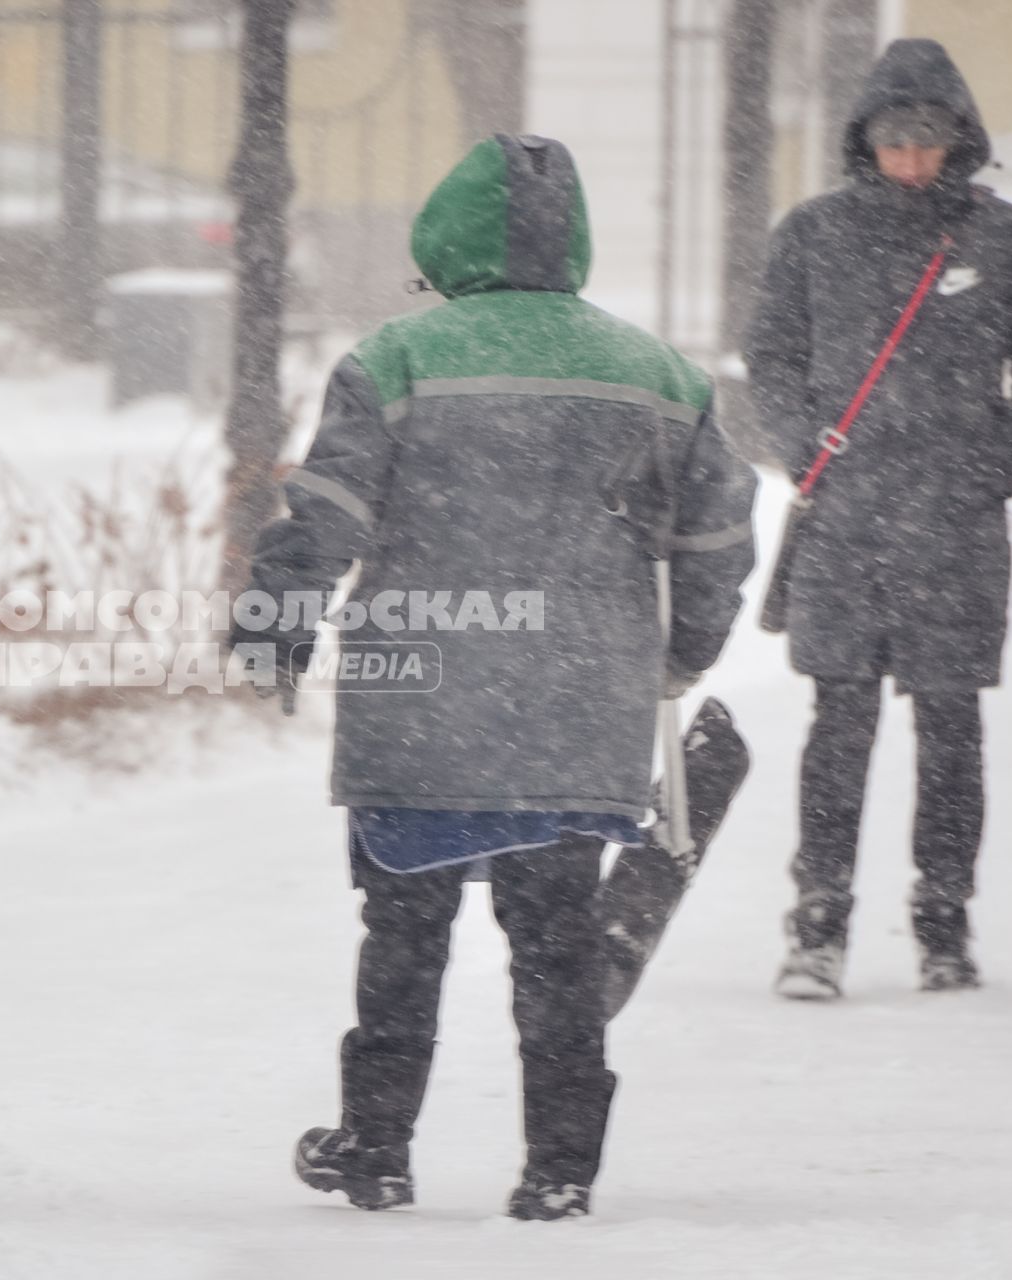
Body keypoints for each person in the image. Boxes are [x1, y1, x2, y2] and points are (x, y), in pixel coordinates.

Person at [248, 135, 757, 1219]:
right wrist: (682, 654)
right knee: (558, 943)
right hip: (580, 710)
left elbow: (328, 511)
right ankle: (560, 1165)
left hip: (420, 708)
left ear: (448, 237)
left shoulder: (395, 359)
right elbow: (717, 534)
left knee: (403, 933)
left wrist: (277, 621)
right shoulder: (661, 374)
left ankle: (378, 1147)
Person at [747, 40, 1012, 1000]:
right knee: (837, 723)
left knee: (951, 725)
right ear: (866, 141)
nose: (911, 160)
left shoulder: (1003, 239)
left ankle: (944, 922)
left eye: (929, 140)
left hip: (956, 528)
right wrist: (807, 452)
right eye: (894, 140)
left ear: (958, 141)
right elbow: (769, 356)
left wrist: (992, 470)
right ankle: (819, 923)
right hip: (846, 523)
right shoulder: (812, 234)